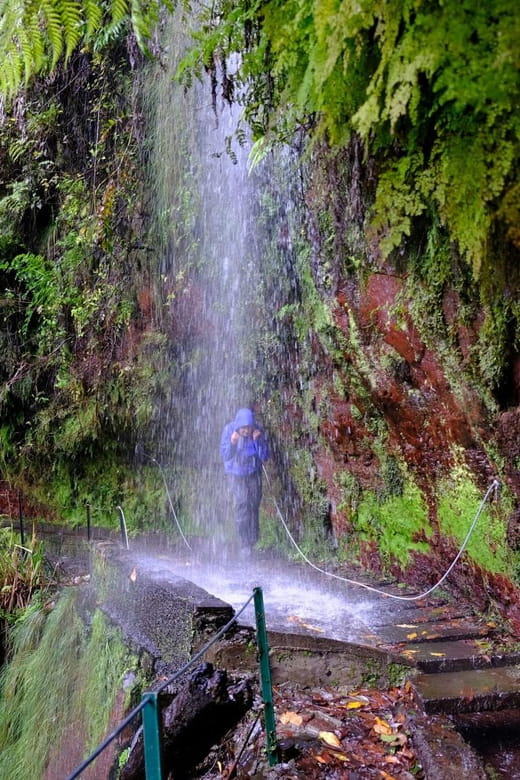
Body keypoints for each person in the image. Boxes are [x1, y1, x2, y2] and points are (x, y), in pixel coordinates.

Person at [220, 408, 269, 552]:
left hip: (253, 472)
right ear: (238, 426)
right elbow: (225, 456)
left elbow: (264, 456)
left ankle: (253, 539)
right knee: (243, 502)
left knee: (254, 502)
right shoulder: (229, 430)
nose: (247, 431)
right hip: (235, 473)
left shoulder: (257, 431)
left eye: (249, 427)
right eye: (244, 428)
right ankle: (244, 542)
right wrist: (233, 443)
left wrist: (258, 441)